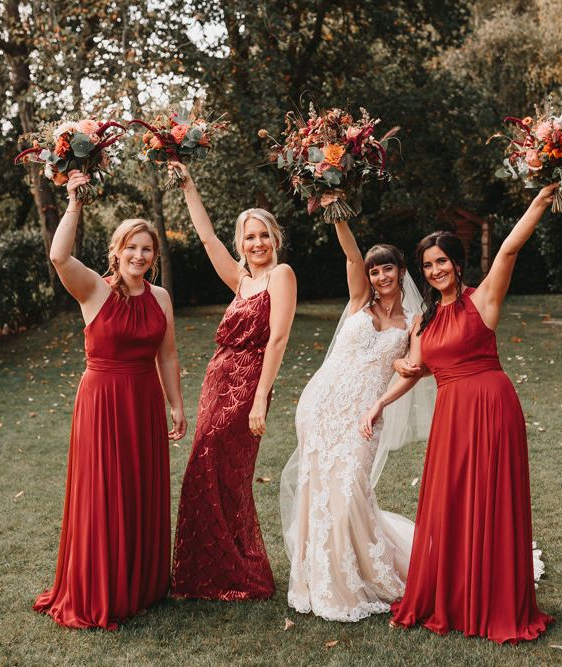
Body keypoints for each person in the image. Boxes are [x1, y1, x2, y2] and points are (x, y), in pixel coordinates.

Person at [360, 184, 558, 643]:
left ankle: (492, 599)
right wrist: (380, 400)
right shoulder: (423, 321)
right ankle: (455, 593)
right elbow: (415, 370)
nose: (435, 270)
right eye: (428, 265)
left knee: (490, 498)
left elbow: (508, 249)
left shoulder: (482, 300)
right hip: (450, 416)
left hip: (491, 407)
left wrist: (540, 201)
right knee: (451, 502)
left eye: (442, 261)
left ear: (457, 262)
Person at [34, 169, 187, 629]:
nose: (138, 255)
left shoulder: (160, 297)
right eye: (131, 247)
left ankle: (141, 584)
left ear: (153, 256)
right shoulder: (94, 289)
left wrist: (176, 404)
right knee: (106, 491)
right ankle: (102, 587)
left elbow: (168, 354)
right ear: (116, 252)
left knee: (139, 488)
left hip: (143, 401)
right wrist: (75, 202)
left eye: (147, 249)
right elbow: (59, 255)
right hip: (102, 402)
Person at [280, 215, 435, 622]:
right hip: (322, 405)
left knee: (349, 494)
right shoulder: (358, 302)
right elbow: (350, 253)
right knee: (320, 493)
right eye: (374, 269)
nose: (381, 275)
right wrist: (337, 210)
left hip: (366, 413)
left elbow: (415, 366)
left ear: (401, 272)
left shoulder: (414, 323)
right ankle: (322, 580)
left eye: (387, 268)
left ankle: (366, 574)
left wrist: (401, 376)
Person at [169, 161, 297, 600]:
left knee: (218, 470)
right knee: (209, 472)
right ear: (241, 244)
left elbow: (277, 338)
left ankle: (237, 570)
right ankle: (209, 571)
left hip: (248, 387)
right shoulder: (240, 279)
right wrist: (189, 187)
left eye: (263, 234)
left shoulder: (281, 276)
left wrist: (260, 399)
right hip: (216, 380)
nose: (257, 242)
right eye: (249, 236)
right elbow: (206, 238)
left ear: (274, 239)